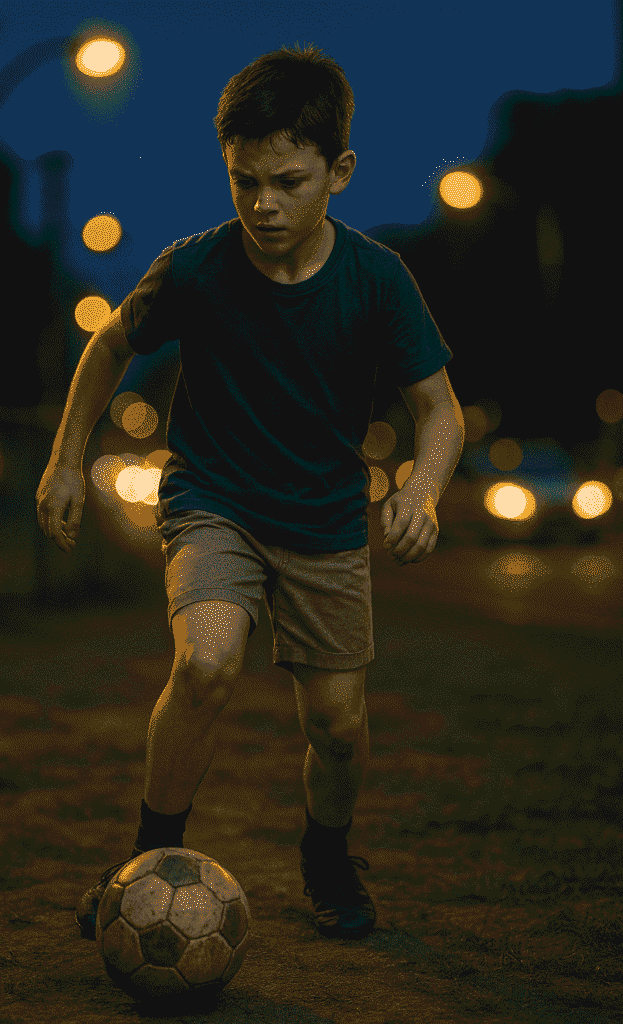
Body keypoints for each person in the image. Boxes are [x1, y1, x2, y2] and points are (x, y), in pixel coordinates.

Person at [36, 42, 464, 943]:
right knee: (205, 664)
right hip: (212, 502)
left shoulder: (378, 281)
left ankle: (326, 857)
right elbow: (110, 346)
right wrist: (67, 458)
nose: (263, 204)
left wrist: (420, 492)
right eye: (243, 181)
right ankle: (143, 868)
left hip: (323, 522)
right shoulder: (193, 267)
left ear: (337, 172)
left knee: (339, 727)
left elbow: (439, 411)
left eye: (287, 181)